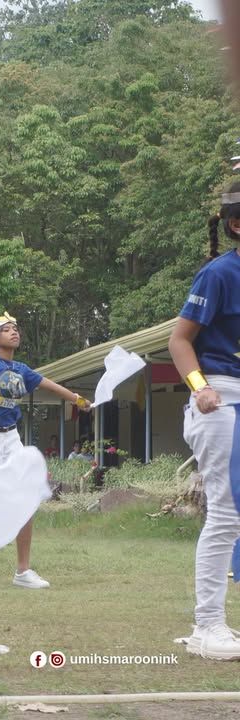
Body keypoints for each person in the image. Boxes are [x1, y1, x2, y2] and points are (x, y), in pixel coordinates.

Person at [0, 312, 90, 591]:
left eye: (15, 328)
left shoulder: (21, 369)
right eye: (6, 330)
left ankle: (23, 570)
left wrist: (76, 399)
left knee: (26, 498)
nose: (14, 332)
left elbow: (48, 384)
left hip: (10, 437)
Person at [167, 183, 240, 660]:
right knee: (228, 511)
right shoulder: (219, 274)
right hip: (222, 398)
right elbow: (179, 340)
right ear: (237, 224)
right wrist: (200, 387)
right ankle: (208, 626)